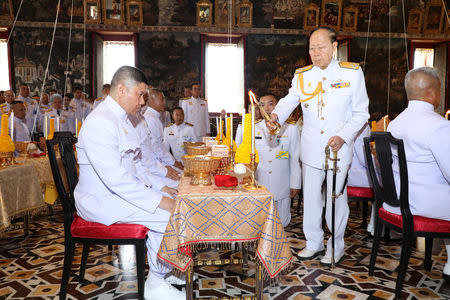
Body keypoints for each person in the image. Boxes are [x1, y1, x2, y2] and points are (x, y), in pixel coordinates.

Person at [74, 66, 185, 299]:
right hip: (100, 200)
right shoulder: (100, 122)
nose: (144, 101)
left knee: (173, 203)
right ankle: (156, 282)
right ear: (122, 90)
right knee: (168, 215)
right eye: (141, 94)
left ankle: (163, 271)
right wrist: (159, 201)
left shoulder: (123, 119)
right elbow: (117, 180)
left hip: (116, 194)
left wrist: (161, 190)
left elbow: (136, 168)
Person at [269, 26, 369, 265]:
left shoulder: (351, 73)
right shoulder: (303, 75)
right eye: (312, 48)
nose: (315, 53)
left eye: (321, 48)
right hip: (312, 149)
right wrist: (276, 116)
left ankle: (336, 247)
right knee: (312, 199)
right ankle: (313, 243)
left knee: (335, 200)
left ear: (334, 47)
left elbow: (361, 113)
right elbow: (289, 100)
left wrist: (344, 136)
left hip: (338, 150)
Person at [386, 67, 450, 281]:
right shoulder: (439, 126)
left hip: (396, 202)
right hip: (425, 205)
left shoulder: (395, 124)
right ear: (432, 92)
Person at [254, 94, 301, 227]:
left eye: (270, 104)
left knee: (282, 223)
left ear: (278, 106)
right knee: (261, 223)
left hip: (282, 183)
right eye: (262, 105)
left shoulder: (290, 128)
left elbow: (295, 157)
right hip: (260, 182)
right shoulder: (254, 127)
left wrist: (295, 183)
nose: (267, 108)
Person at [142, 88, 183, 170]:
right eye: (162, 99)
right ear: (152, 100)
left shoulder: (154, 117)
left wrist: (172, 161)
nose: (164, 102)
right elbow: (156, 147)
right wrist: (173, 162)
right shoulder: (151, 118)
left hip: (160, 160)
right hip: (154, 163)